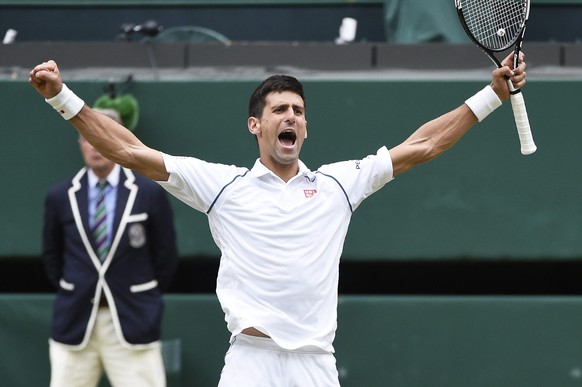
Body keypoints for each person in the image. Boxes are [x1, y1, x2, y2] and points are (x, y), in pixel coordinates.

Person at [30, 52, 527, 386]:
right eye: (279, 109)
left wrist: (491, 96)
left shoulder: (338, 184)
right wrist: (60, 97)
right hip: (250, 363)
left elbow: (423, 145)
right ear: (256, 125)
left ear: (305, 127)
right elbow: (128, 150)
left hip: (315, 365)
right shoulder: (222, 185)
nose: (290, 116)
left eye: (298, 110)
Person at [41, 106, 179, 387]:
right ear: (79, 144)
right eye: (86, 137)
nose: (94, 146)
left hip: (133, 321)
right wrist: (78, 286)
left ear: (116, 141)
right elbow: (52, 256)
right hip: (76, 322)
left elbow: (165, 255)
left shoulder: (149, 192)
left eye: (100, 137)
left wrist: (143, 294)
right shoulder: (60, 196)